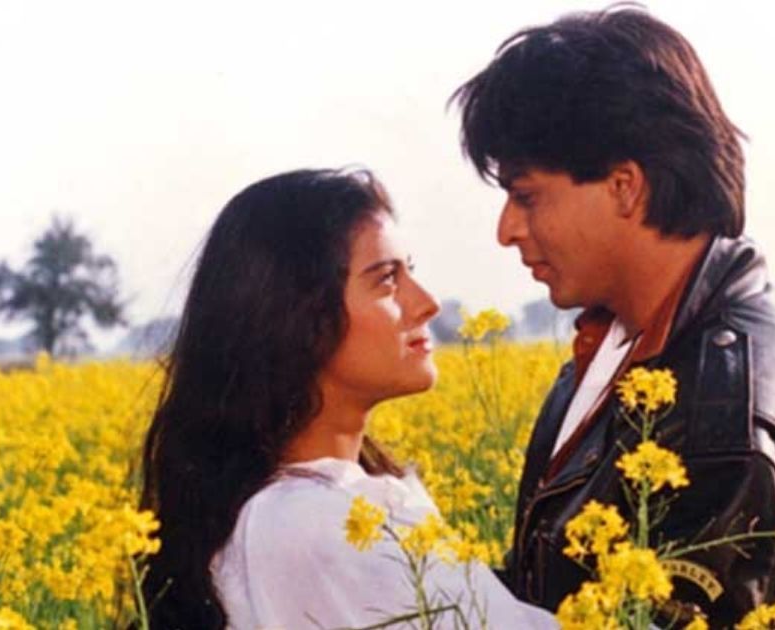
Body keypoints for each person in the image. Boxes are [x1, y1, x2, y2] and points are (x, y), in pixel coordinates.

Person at [452, 6, 775, 626]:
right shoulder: (620, 347)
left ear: (625, 186)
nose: (506, 229)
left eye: (526, 195)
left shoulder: (721, 429)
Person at [137, 169, 557, 629]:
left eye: (410, 271)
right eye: (387, 280)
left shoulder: (338, 502)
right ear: (298, 318)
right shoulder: (309, 524)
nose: (427, 303)